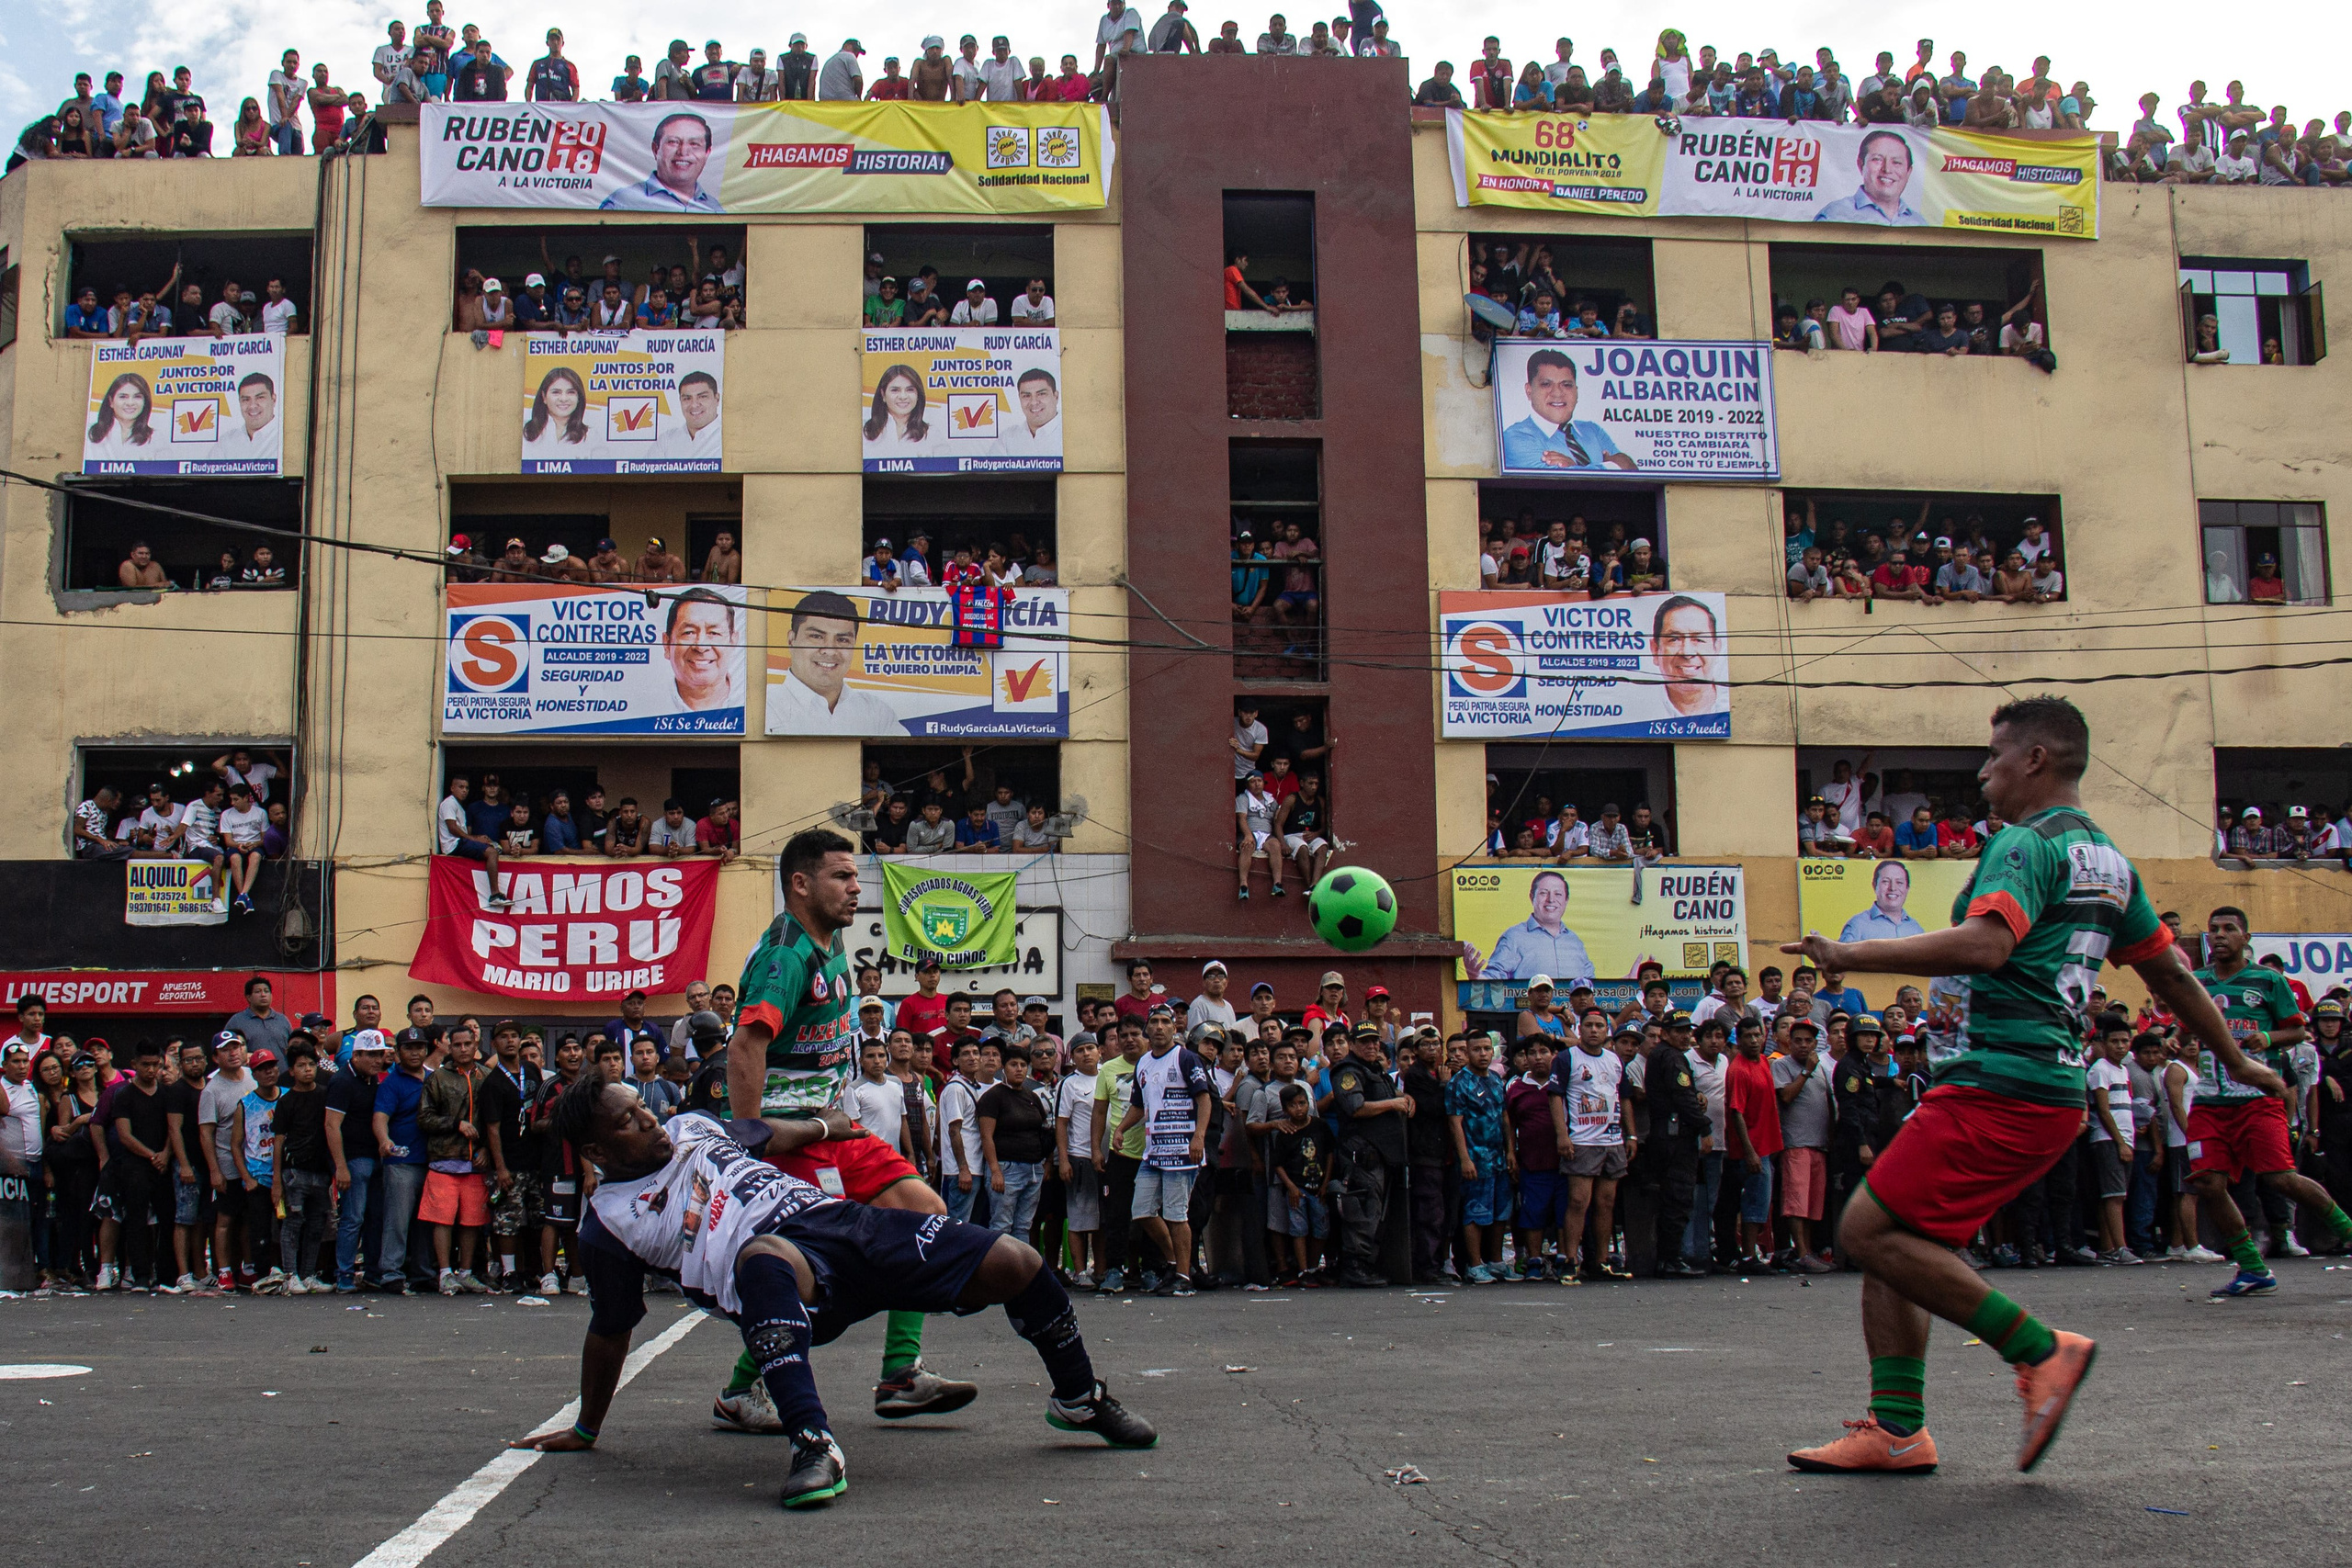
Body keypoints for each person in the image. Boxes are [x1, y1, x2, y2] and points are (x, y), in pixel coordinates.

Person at [1779, 696, 2307, 1477]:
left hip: (2006, 1078)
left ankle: (2039, 1351)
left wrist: (1851, 955)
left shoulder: (2024, 844)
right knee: (1905, 1243)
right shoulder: (2107, 858)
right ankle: (1897, 1431)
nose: (1983, 770)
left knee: (1863, 1231)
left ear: (2035, 760)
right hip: (2043, 1087)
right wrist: (2240, 1059)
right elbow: (2172, 975)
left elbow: (1988, 946)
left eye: (1994, 754)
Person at [512, 1082, 1156, 1507]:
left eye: (641, 1105)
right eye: (627, 1120)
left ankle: (1079, 1398)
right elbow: (611, 1325)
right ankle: (814, 1444)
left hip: (844, 1225)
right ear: (596, 1149)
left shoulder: (690, 1126)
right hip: (787, 1274)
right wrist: (586, 1425)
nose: (647, 1119)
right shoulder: (608, 1225)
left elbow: (766, 1130)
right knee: (759, 1253)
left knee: (1017, 1259)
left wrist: (828, 1123)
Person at [715, 829, 977, 1432]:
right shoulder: (786, 953)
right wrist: (752, 1137)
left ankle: (900, 1374)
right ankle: (740, 1388)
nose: (857, 888)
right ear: (801, 884)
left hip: (837, 1126)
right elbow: (745, 1046)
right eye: (841, 877)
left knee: (925, 1213)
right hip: (792, 1134)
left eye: (857, 877)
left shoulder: (830, 941)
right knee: (821, 1273)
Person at [2185, 908, 2352, 1289]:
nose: (2220, 935)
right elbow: (2185, 1029)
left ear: (2246, 938)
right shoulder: (2195, 983)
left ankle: (2346, 1228)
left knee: (2281, 1179)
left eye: (2230, 929)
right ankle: (2251, 1267)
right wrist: (2182, 1041)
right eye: (2214, 930)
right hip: (2209, 1102)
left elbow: (2297, 1031)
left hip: (2257, 1099)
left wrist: (2268, 1038)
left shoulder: (2267, 980)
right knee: (2209, 1183)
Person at [1502, 350, 1634, 471]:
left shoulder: (1592, 430)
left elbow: (1631, 473)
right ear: (1529, 391)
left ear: (1576, 391)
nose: (1558, 393)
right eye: (1546, 384)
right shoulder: (1515, 437)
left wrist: (1575, 469)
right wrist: (1611, 466)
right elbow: (1557, 484)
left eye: (1566, 385)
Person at [1461, 870, 1593, 983]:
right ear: (1532, 897)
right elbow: (1494, 979)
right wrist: (1476, 975)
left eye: (1558, 894)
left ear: (1566, 900)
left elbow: (1591, 984)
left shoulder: (1575, 941)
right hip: (1530, 1012)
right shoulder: (1514, 937)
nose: (1551, 899)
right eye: (1544, 893)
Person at [599, 110, 724, 213]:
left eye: (694, 144)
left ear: (707, 153)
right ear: (655, 149)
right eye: (673, 142)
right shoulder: (622, 203)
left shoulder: (714, 209)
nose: (683, 151)